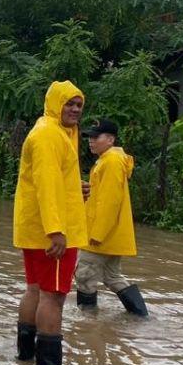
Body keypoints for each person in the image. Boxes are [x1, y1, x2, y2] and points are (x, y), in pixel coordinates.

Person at [12, 80, 88, 365]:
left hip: (36, 228)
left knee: (34, 290)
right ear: (55, 103)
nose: (74, 109)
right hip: (52, 232)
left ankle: (25, 358)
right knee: (53, 297)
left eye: (79, 104)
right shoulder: (48, 135)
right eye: (69, 103)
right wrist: (55, 230)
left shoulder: (55, 132)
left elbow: (54, 179)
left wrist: (74, 187)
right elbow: (45, 184)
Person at [76, 119, 148, 316]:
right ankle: (140, 317)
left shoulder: (112, 162)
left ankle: (86, 323)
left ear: (110, 139)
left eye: (95, 137)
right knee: (111, 276)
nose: (91, 141)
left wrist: (97, 233)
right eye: (89, 137)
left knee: (84, 275)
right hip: (110, 233)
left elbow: (110, 202)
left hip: (100, 234)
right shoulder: (108, 160)